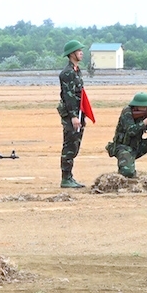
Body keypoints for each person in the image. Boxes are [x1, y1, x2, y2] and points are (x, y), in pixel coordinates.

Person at [57, 40, 87, 188]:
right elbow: (68, 97)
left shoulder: (76, 70)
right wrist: (74, 116)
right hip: (71, 115)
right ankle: (66, 178)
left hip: (79, 113)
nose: (81, 52)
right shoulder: (67, 73)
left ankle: (70, 177)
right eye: (79, 50)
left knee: (75, 144)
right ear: (72, 54)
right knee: (70, 145)